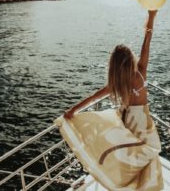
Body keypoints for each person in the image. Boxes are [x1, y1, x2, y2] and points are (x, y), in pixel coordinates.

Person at [63, 10, 163, 190]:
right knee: (147, 154)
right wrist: (152, 16)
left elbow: (92, 98)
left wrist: (72, 111)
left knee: (132, 155)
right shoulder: (141, 70)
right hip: (142, 120)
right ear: (131, 59)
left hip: (128, 120)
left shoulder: (116, 83)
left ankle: (129, 185)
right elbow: (147, 39)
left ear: (114, 65)